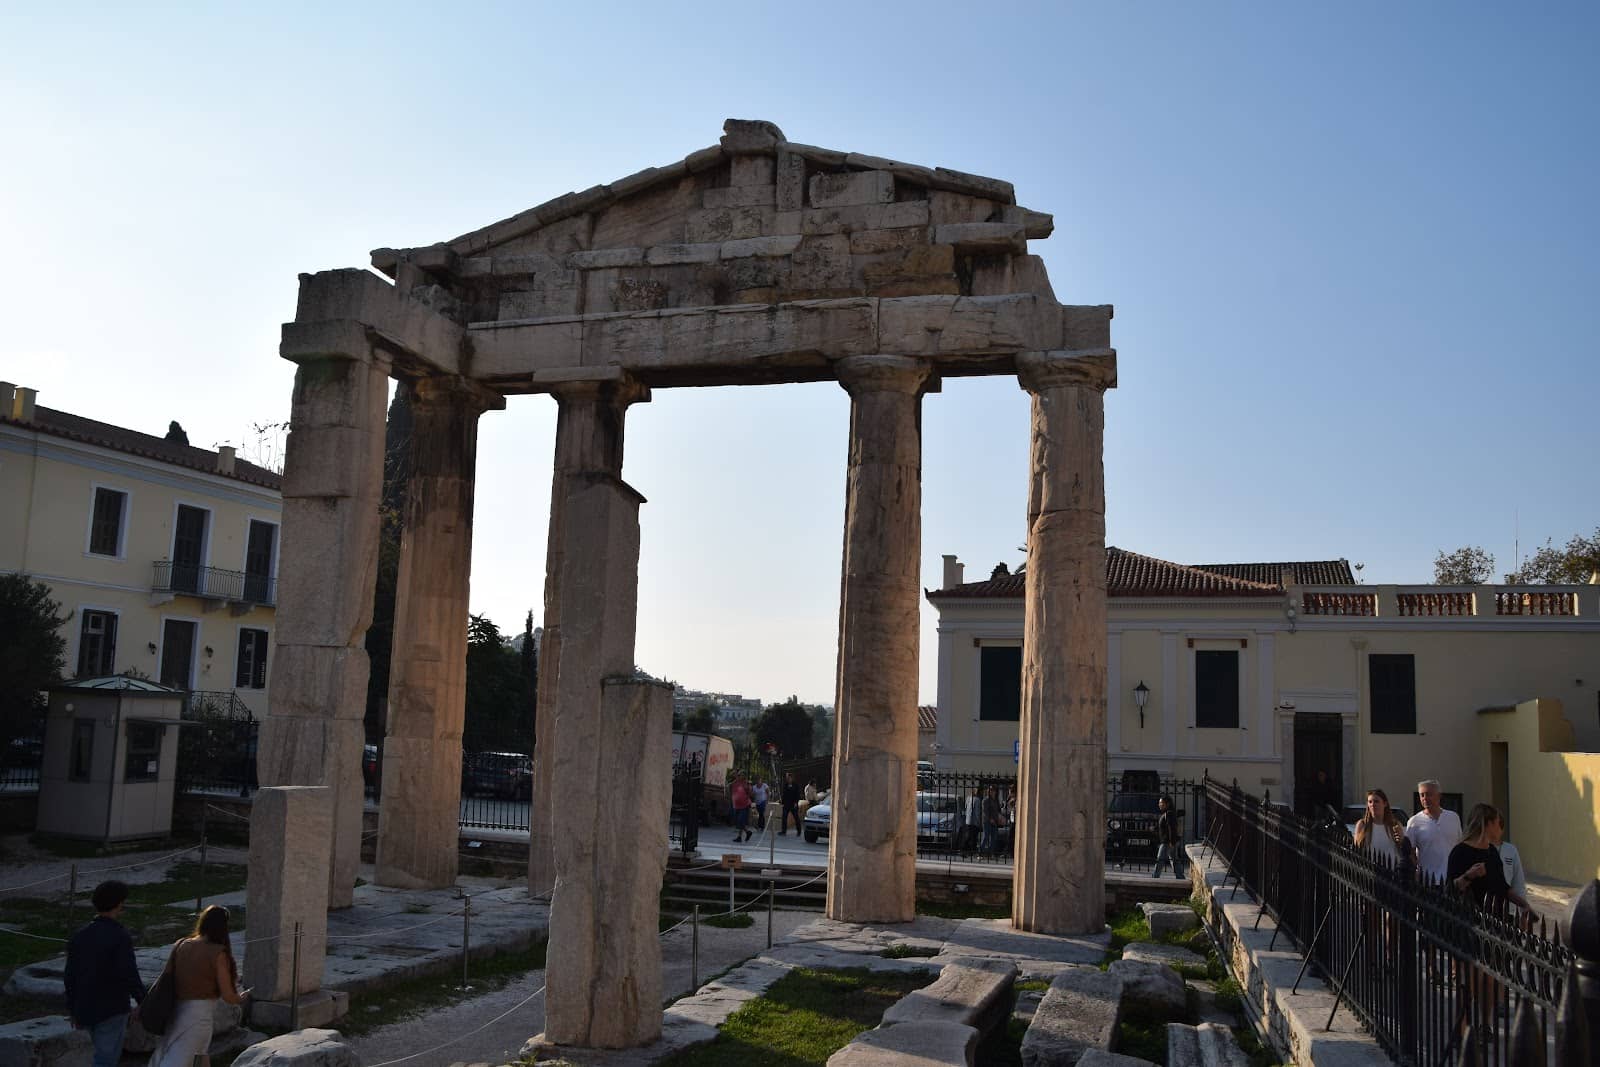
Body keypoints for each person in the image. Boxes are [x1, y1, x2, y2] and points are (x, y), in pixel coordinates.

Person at [149, 905, 247, 1067]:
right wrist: (240, 998)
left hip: (175, 1010)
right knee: (181, 1058)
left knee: (176, 1053)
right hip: (199, 1014)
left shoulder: (182, 944)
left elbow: (166, 978)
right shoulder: (218, 953)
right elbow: (228, 996)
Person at [64, 880, 146, 1067]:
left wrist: (72, 1007)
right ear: (119, 904)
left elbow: (70, 976)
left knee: (98, 1056)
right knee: (106, 1059)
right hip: (112, 1007)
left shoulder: (80, 936)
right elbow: (128, 973)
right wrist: (143, 1000)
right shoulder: (119, 936)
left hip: (85, 1006)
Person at [1446, 803, 1530, 913]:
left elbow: (1502, 886)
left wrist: (1524, 905)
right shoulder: (1460, 852)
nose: (1500, 828)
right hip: (1470, 917)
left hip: (1496, 917)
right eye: (1498, 823)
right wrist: (1469, 875)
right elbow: (1450, 889)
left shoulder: (1492, 851)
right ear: (1489, 824)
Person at [1404, 779, 1462, 884]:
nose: (1425, 798)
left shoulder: (1453, 817)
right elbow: (1410, 852)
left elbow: (1459, 846)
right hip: (1428, 881)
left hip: (1453, 878)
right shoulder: (1414, 822)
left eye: (1429, 794)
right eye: (1422, 795)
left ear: (1439, 796)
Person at [1353, 788, 1414, 868]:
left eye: (1376, 801)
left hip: (1392, 869)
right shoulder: (1362, 824)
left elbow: (1404, 848)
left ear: (1385, 804)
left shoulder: (1394, 824)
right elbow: (1356, 849)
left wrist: (1401, 839)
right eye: (1370, 802)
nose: (1373, 804)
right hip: (1370, 869)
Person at [1153, 795, 1186, 878]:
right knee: (1174, 860)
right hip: (1169, 841)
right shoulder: (1167, 813)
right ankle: (1180, 877)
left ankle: (1155, 877)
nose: (1159, 805)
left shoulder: (1169, 814)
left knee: (1160, 860)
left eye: (1161, 803)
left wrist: (1172, 842)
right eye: (1159, 803)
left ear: (1167, 804)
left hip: (1167, 842)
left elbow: (1172, 828)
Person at [730, 773, 752, 842]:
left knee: (740, 820)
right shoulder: (734, 783)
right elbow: (729, 787)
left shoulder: (746, 784)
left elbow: (750, 792)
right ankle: (744, 834)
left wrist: (748, 787)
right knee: (738, 821)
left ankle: (744, 834)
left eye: (741, 775)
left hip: (744, 805)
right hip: (736, 805)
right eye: (738, 775)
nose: (739, 776)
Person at [980, 785, 1001, 853]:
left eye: (993, 790)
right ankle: (980, 852)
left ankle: (990, 853)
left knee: (994, 838)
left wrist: (999, 818)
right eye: (990, 790)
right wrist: (990, 819)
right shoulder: (985, 800)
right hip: (987, 821)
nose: (991, 791)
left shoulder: (996, 800)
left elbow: (998, 810)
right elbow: (985, 811)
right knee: (986, 836)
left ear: (995, 792)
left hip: (995, 821)